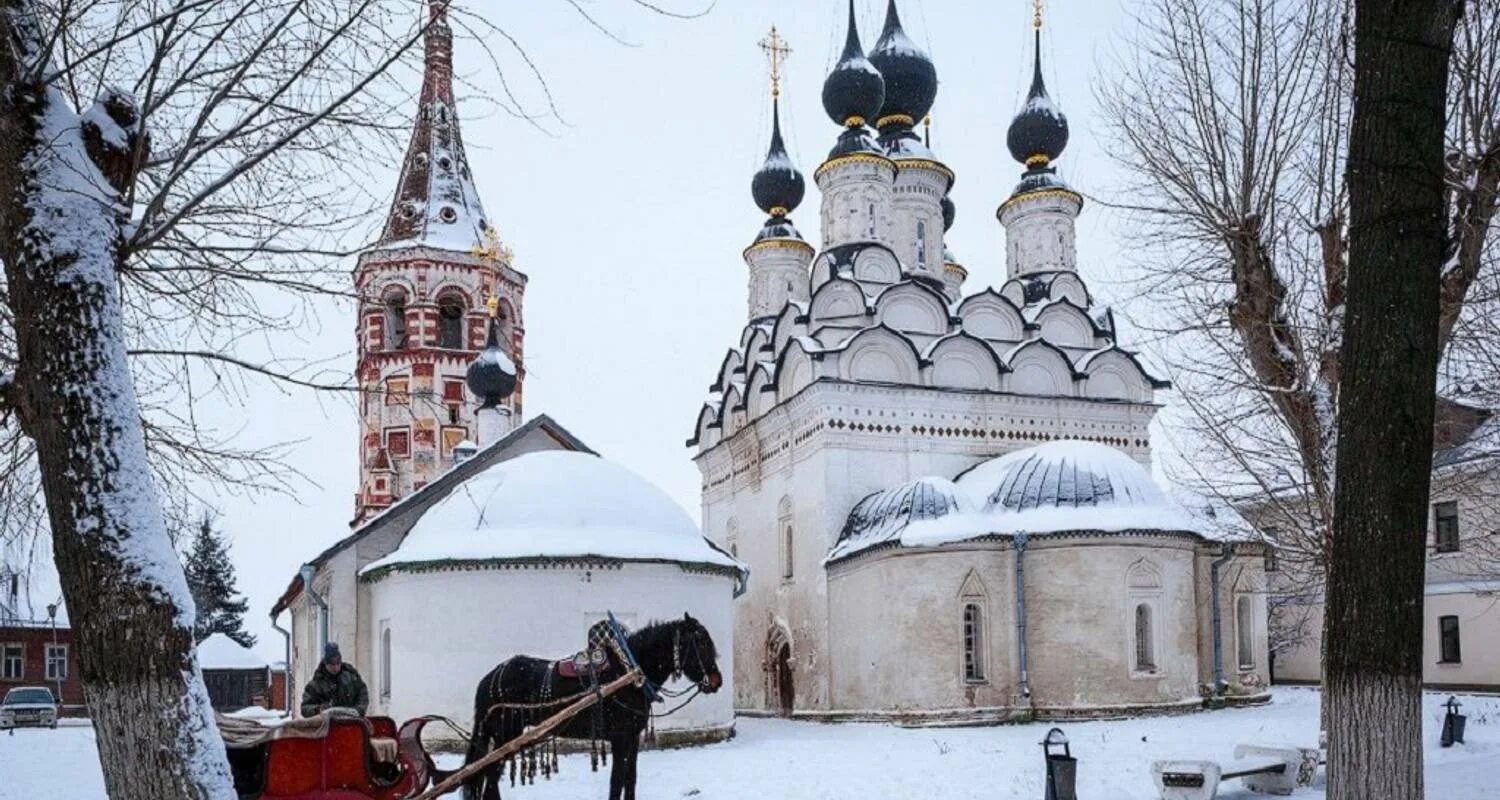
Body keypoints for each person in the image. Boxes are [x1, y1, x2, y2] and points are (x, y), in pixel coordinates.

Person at [299, 642, 369, 718]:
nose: (335, 668)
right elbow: (305, 708)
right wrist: (319, 709)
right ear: (326, 664)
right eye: (331, 665)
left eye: (337, 663)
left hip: (352, 722)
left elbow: (362, 692)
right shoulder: (315, 685)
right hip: (327, 725)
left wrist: (360, 709)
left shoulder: (351, 677)